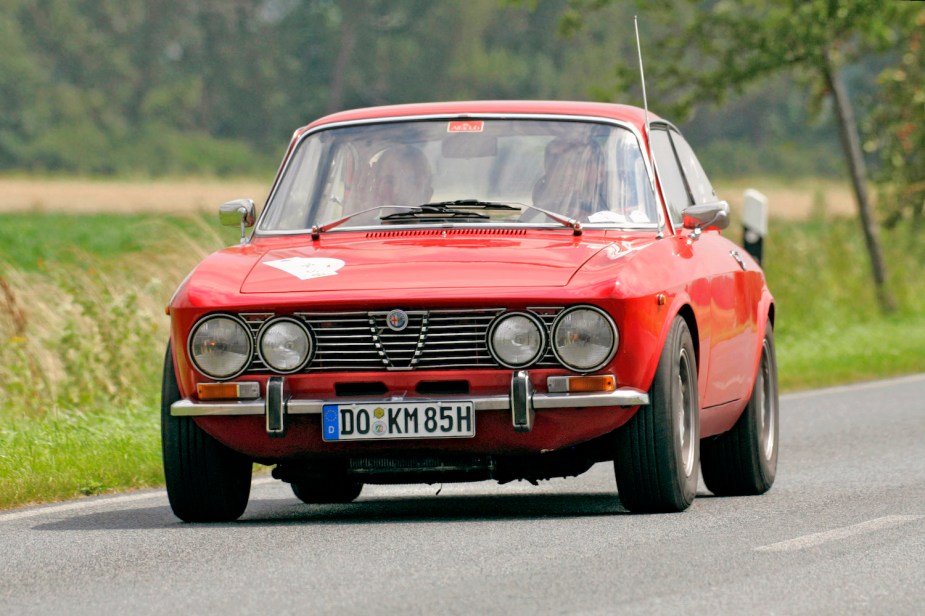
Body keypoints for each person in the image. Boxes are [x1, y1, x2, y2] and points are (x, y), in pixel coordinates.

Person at [532, 138, 608, 219]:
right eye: (558, 164)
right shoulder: (533, 215)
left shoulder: (606, 216)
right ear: (547, 169)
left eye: (576, 164)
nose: (567, 172)